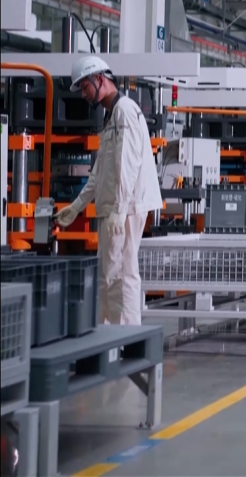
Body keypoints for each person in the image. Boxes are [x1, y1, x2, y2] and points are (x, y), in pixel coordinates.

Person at [54, 55, 162, 325]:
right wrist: (77, 206)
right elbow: (100, 170)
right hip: (115, 207)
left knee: (121, 275)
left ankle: (125, 337)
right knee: (108, 274)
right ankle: (110, 334)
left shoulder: (124, 110)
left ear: (100, 79)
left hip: (124, 208)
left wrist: (120, 209)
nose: (84, 94)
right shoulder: (112, 115)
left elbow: (129, 163)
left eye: (85, 87)